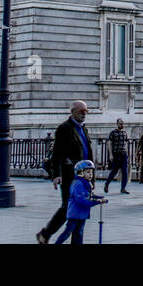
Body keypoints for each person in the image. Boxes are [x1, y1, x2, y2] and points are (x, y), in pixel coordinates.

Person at [37, 101, 93, 244]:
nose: (84, 114)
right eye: (82, 111)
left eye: (86, 111)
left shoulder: (83, 128)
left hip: (83, 176)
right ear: (73, 111)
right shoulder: (64, 128)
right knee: (68, 207)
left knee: (77, 208)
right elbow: (57, 153)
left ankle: (70, 239)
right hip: (70, 175)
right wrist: (57, 174)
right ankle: (46, 233)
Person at [55, 160, 106, 244]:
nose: (90, 174)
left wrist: (100, 198)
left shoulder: (86, 183)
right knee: (67, 233)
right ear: (80, 173)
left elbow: (89, 195)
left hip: (82, 214)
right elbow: (81, 200)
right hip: (75, 214)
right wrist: (96, 201)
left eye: (91, 172)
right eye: (88, 172)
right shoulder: (78, 183)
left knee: (79, 234)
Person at [103, 119, 130, 194]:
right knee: (114, 171)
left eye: (123, 124)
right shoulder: (113, 133)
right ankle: (107, 184)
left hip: (123, 154)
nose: (122, 125)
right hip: (116, 154)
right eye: (120, 124)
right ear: (117, 124)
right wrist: (111, 155)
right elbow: (109, 143)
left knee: (125, 172)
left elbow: (126, 143)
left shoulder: (124, 133)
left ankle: (123, 188)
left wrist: (127, 154)